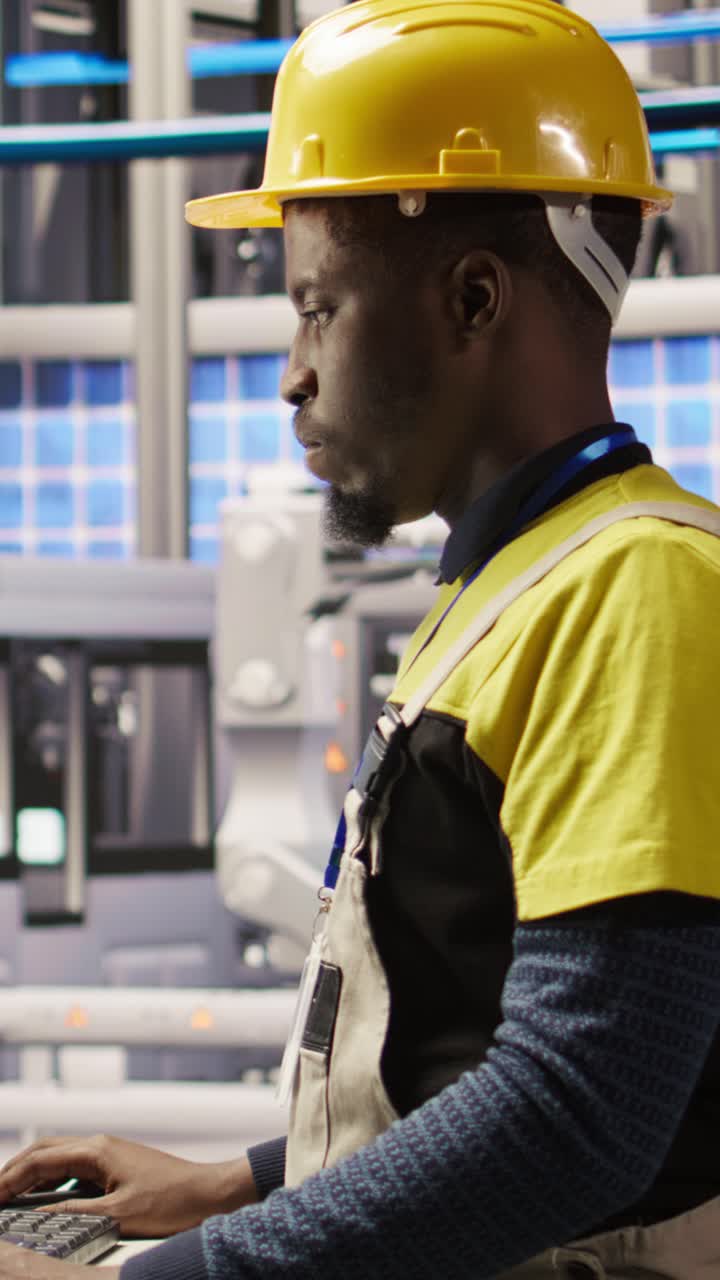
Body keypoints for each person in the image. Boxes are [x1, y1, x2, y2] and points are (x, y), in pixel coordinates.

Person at [2, 1, 720, 1277]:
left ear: (474, 298)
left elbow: (583, 1103)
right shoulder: (512, 583)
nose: (290, 375)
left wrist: (197, 1274)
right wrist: (238, 1181)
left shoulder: (641, 588)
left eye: (317, 309)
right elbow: (464, 1040)